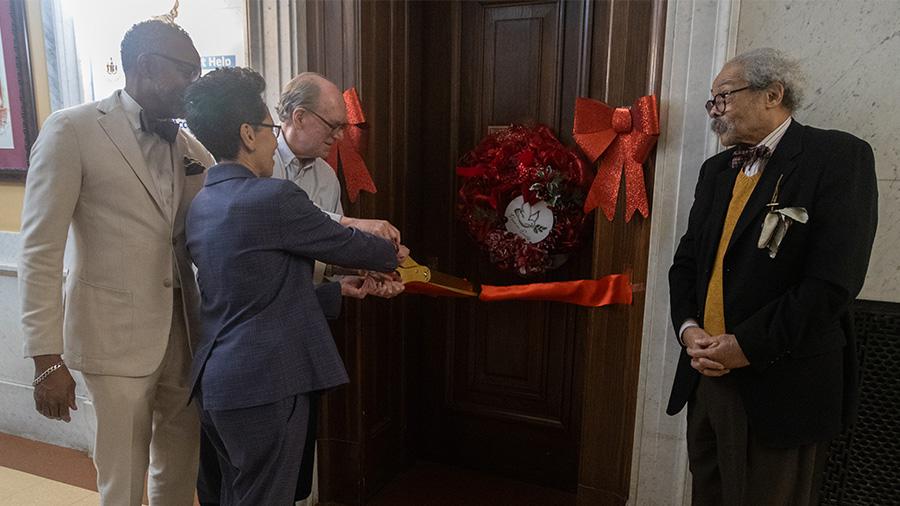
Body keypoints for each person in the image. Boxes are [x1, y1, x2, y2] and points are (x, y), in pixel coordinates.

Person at [183, 67, 407, 505]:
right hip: (265, 383)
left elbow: (252, 294)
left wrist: (339, 289)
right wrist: (394, 255)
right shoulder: (273, 196)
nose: (274, 139)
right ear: (248, 134)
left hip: (217, 382)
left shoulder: (203, 202)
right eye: (270, 129)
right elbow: (355, 245)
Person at [667, 47, 878, 505]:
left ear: (772, 94)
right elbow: (686, 264)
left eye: (724, 96)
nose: (714, 111)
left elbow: (833, 282)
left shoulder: (838, 157)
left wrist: (745, 346)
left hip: (781, 385)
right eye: (711, 101)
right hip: (705, 377)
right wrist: (688, 330)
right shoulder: (716, 171)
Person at [19, 19, 213, 505]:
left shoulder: (188, 145)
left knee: (180, 470)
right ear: (146, 66)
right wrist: (45, 357)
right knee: (122, 479)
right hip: (112, 337)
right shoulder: (73, 129)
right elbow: (40, 250)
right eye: (186, 72)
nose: (193, 83)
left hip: (185, 334)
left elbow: (244, 204)